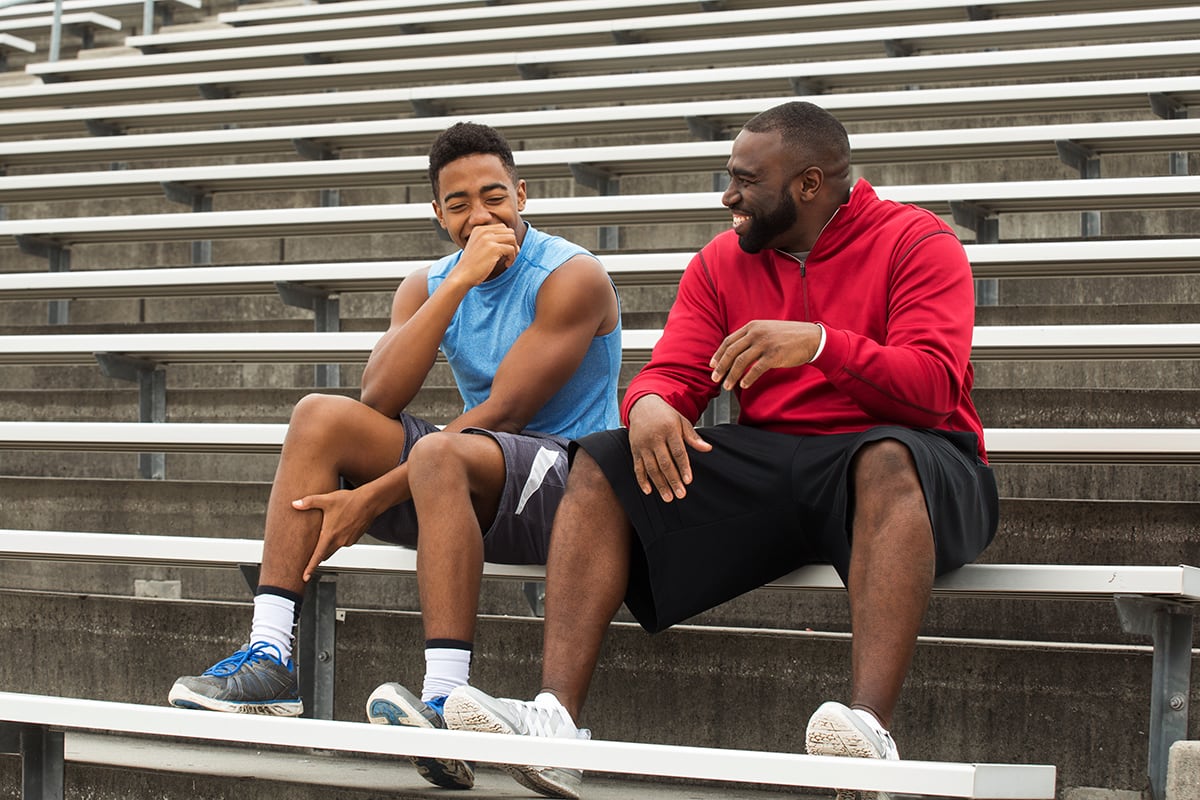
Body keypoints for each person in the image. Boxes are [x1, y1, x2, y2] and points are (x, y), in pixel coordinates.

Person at [440, 101, 998, 800]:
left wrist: (821, 344)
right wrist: (649, 405)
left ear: (809, 184)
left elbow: (934, 387)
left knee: (885, 457)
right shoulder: (722, 260)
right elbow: (672, 372)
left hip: (922, 461)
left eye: (746, 181)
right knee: (603, 460)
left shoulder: (917, 241)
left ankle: (869, 733)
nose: (728, 196)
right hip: (780, 459)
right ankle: (554, 723)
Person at [168, 121, 623, 792]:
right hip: (474, 473)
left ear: (522, 195)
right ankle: (269, 655)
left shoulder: (571, 275)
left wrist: (374, 495)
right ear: (438, 214)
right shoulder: (430, 282)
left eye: (495, 197)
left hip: (573, 488)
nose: (480, 216)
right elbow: (378, 395)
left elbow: (506, 413)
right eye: (459, 204)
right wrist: (456, 284)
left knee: (440, 452)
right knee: (319, 418)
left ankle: (443, 699)